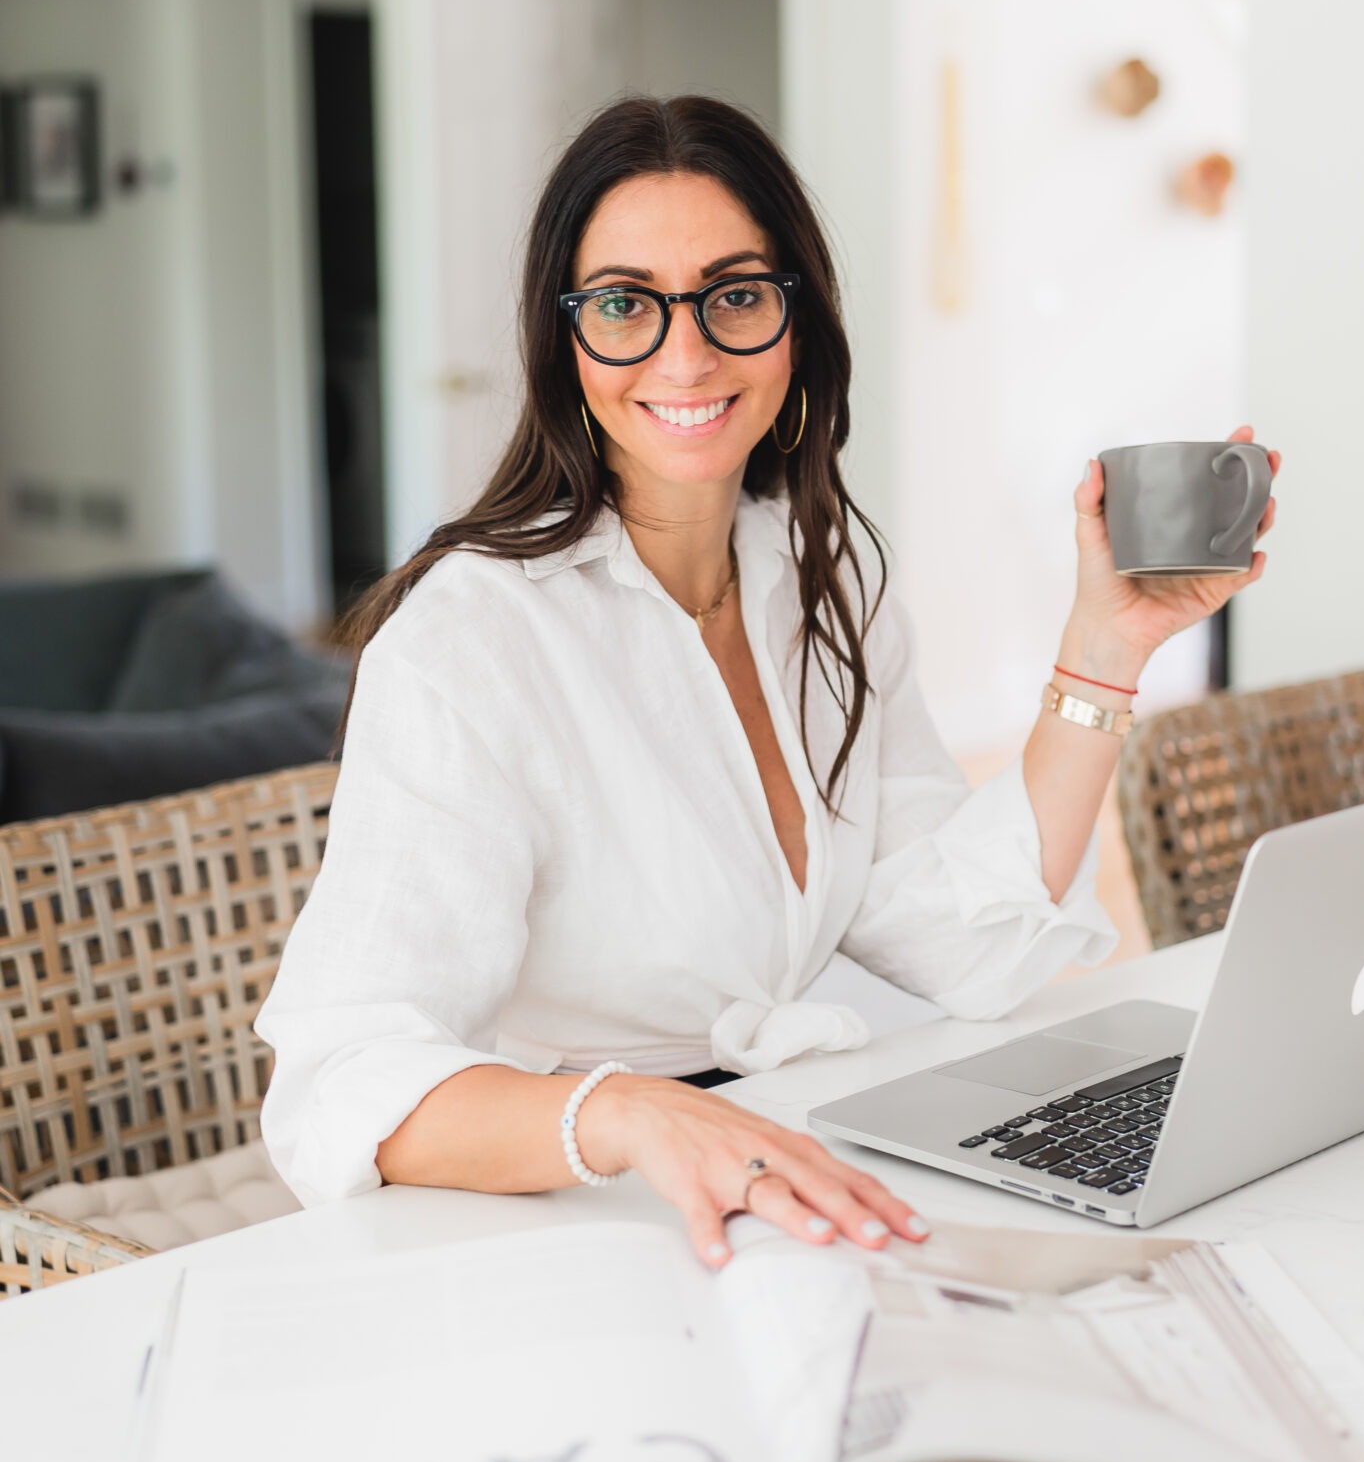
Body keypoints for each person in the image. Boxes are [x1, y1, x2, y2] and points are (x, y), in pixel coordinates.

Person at [259, 96, 1278, 1267]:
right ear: (567, 338)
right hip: (567, 1216)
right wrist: (633, 1114)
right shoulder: (469, 642)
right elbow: (339, 1075)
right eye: (626, 304)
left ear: (796, 323)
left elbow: (962, 941)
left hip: (778, 1174)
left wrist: (1106, 647)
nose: (684, 354)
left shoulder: (820, 575)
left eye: (735, 294)